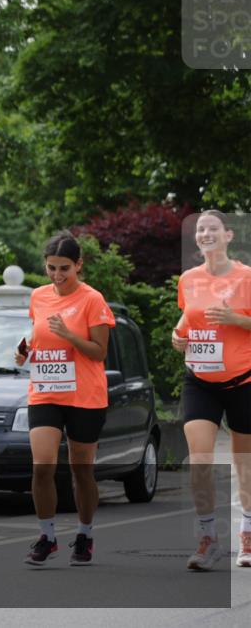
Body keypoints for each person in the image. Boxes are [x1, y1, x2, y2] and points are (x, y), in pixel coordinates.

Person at [15, 231, 115, 566]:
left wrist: (70, 335)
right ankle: (47, 537)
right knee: (42, 466)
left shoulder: (92, 300)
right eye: (51, 268)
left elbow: (99, 352)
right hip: (45, 391)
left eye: (64, 268)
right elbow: (38, 337)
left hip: (84, 396)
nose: (57, 275)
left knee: (81, 471)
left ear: (78, 265)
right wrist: (25, 352)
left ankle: (85, 535)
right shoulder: (39, 296)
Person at [171, 209, 251, 570]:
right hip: (200, 381)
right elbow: (188, 317)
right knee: (200, 460)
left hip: (243, 381)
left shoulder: (246, 277)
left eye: (212, 228)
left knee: (244, 465)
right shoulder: (189, 279)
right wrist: (177, 335)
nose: (205, 233)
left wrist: (236, 319)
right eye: (200, 229)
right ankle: (208, 539)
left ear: (228, 235)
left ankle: (247, 534)